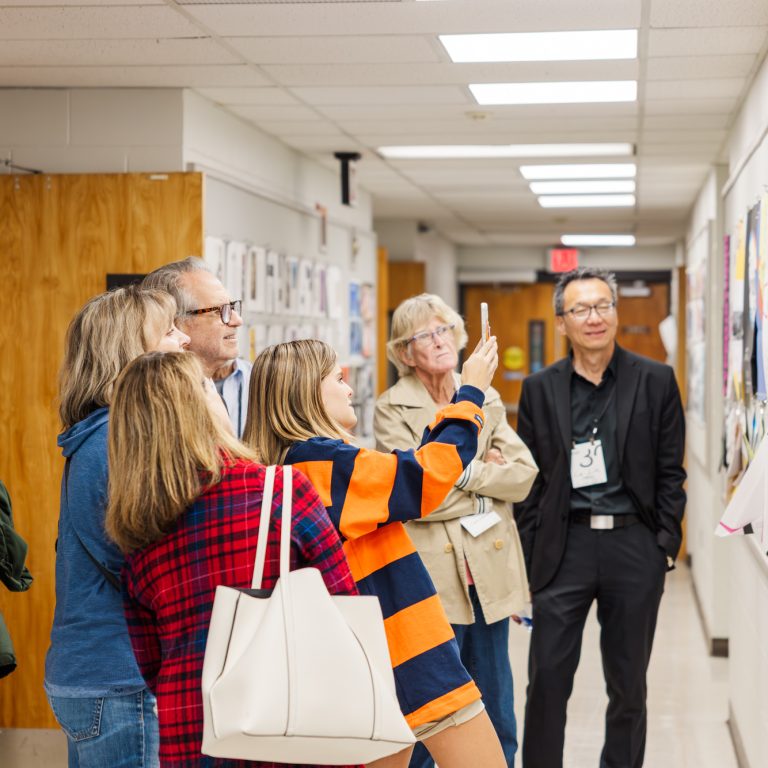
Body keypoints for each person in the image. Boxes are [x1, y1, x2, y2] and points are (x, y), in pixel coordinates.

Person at [244, 338, 508, 768]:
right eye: (337, 378)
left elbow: (408, 470)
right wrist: (471, 394)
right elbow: (425, 476)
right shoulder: (321, 462)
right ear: (308, 391)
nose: (349, 388)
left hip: (367, 666)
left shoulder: (289, 467)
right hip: (406, 658)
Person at [105, 351, 360, 768]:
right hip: (298, 725)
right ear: (200, 408)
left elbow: (151, 664)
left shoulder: (137, 533)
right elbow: (344, 604)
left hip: (194, 732)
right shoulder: (279, 490)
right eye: (210, 386)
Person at [515, 267, 686, 768]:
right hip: (563, 549)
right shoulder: (539, 389)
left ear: (616, 311)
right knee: (547, 680)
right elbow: (531, 481)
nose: (595, 318)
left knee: (628, 685)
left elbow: (670, 472)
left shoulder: (655, 379)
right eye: (581, 309)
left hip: (634, 547)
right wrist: (530, 553)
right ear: (562, 322)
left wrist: (663, 547)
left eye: (603, 306)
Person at [374, 294, 538, 768]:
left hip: (487, 574)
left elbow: (523, 475)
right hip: (433, 582)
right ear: (406, 353)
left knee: (498, 712)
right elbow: (412, 495)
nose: (440, 340)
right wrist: (482, 479)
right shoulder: (392, 407)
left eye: (444, 328)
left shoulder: (483, 397)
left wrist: (456, 474)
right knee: (437, 715)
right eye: (425, 335)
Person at [45, 286, 190, 768]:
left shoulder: (98, 434)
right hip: (120, 678)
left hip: (95, 673)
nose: (183, 340)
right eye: (169, 331)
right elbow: (142, 562)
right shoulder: (115, 440)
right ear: (134, 354)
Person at [143, 257, 251, 437]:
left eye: (232, 307)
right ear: (174, 321)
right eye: (220, 310)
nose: (237, 321)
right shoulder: (143, 407)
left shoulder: (259, 382)